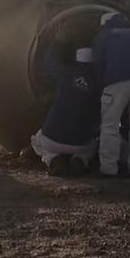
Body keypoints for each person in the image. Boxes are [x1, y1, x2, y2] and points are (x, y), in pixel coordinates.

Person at [92, 12, 130, 177]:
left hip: (117, 82)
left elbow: (97, 64)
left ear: (105, 23)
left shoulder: (105, 35)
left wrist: (99, 88)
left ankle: (108, 168)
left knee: (110, 125)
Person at [29, 40, 100, 176]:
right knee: (93, 144)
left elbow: (50, 62)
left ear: (77, 59)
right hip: (81, 144)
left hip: (53, 138)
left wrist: (54, 40)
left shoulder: (66, 73)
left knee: (36, 140)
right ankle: (80, 160)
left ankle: (53, 160)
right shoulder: (99, 84)